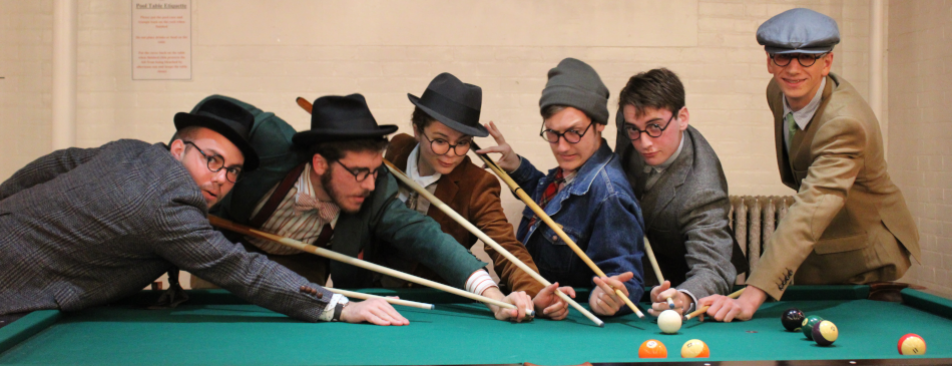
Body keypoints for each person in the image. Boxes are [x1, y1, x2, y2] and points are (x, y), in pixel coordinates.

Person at [0, 98, 406, 325]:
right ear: (179, 149)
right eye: (212, 160)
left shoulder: (129, 149)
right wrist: (339, 306)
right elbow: (241, 268)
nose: (221, 180)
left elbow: (56, 163)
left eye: (232, 170)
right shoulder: (167, 208)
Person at [208, 93, 533, 322]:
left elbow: (427, 237)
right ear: (320, 164)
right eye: (359, 173)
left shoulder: (374, 190)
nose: (369, 184)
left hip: (298, 267)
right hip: (226, 247)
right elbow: (212, 111)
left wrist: (493, 297)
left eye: (375, 171)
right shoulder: (268, 144)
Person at [700, 8, 921, 321]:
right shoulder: (777, 91)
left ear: (826, 63)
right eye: (782, 57)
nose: (793, 69)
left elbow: (812, 207)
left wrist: (753, 292)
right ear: (769, 61)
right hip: (821, 246)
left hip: (865, 255)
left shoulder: (845, 123)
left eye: (807, 58)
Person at [385, 72, 575, 319]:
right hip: (375, 291)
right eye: (441, 141)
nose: (451, 154)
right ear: (417, 130)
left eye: (462, 143)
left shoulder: (477, 184)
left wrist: (535, 291)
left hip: (436, 307)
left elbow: (505, 245)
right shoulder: (397, 149)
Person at [478, 58, 646, 317]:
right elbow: (550, 207)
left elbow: (625, 280)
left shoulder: (610, 194)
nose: (562, 146)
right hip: (528, 306)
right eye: (553, 134)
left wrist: (609, 297)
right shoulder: (574, 169)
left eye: (574, 132)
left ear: (600, 123)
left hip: (564, 327)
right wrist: (516, 165)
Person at [613, 68, 746, 316]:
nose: (644, 143)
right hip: (647, 265)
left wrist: (685, 297)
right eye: (634, 129)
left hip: (688, 267)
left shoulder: (703, 187)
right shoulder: (630, 124)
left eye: (655, 127)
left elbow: (713, 267)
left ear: (682, 118)